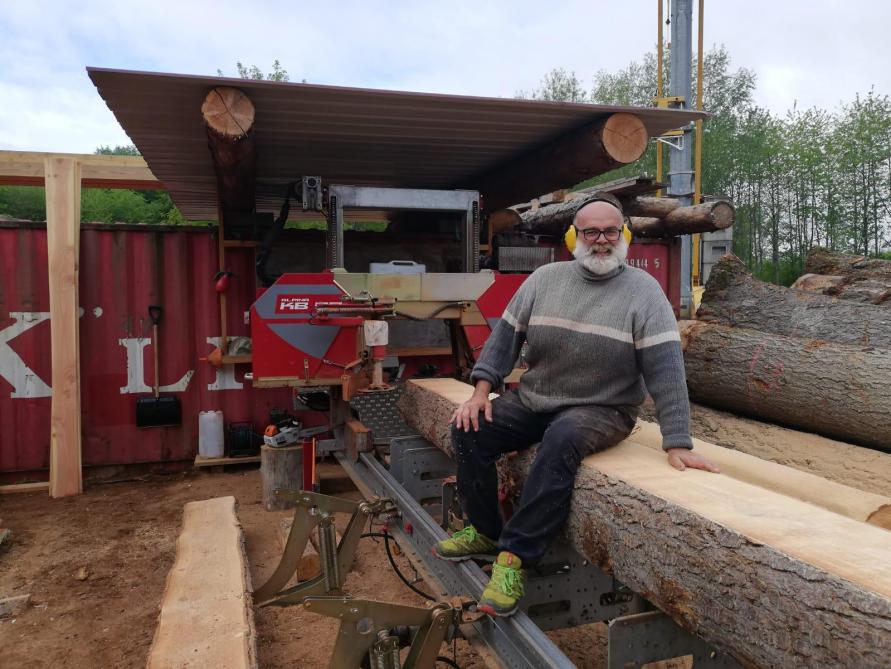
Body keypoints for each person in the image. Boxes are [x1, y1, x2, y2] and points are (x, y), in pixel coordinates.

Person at [433, 195, 720, 617]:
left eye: (609, 231)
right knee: (470, 429)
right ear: (575, 237)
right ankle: (485, 531)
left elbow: (666, 369)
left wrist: (677, 441)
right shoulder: (544, 279)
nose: (600, 241)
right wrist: (480, 392)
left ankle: (514, 559)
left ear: (623, 235)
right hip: (537, 398)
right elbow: (504, 341)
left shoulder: (645, 293)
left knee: (561, 438)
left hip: (603, 409)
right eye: (591, 232)